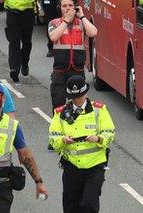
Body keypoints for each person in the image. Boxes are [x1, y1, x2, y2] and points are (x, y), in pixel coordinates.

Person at [49, 75, 115, 213]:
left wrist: (98, 139)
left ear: (85, 93)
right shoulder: (60, 114)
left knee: (89, 204)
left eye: (79, 96)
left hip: (95, 166)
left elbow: (109, 133)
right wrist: (63, 140)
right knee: (70, 206)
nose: (77, 100)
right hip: (72, 166)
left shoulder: (99, 110)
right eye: (73, 98)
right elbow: (53, 139)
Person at [0, 82, 49, 212]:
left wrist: (38, 182)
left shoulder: (12, 126)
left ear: (3, 98)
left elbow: (25, 155)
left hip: (1, 184)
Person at [47, 0, 98, 108]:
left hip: (77, 70)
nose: (68, 8)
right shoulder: (54, 23)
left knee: (79, 104)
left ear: (75, 8)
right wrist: (66, 21)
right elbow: (54, 37)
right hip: (60, 70)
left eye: (70, 6)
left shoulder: (81, 23)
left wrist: (83, 16)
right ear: (60, 8)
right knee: (58, 102)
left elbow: (93, 32)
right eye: (64, 6)